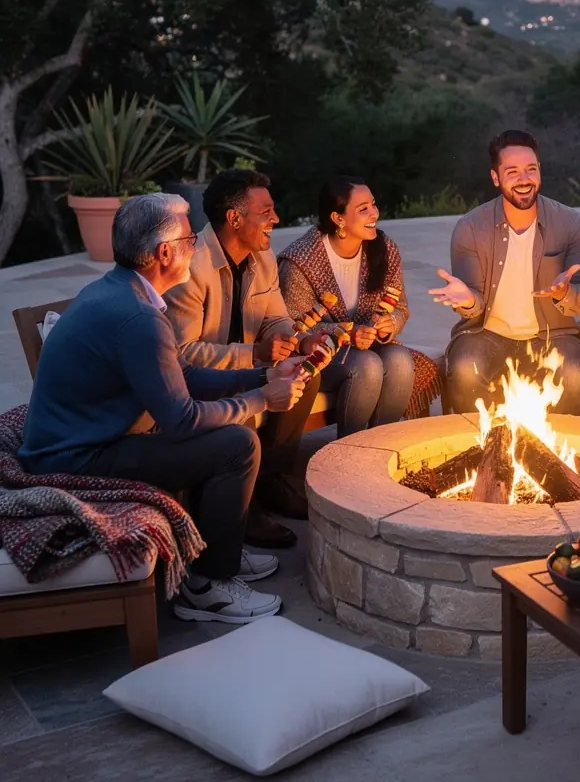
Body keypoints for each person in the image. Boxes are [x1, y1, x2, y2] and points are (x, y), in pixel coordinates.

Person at [18, 194, 306, 623]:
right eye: (191, 239)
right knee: (237, 445)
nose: (197, 246)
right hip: (77, 457)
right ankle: (209, 584)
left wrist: (261, 377)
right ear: (164, 253)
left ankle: (214, 548)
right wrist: (261, 401)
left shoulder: (122, 291)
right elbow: (182, 418)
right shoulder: (138, 317)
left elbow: (183, 374)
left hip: (85, 439)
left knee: (230, 435)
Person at [164, 169, 321, 548]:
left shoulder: (261, 259)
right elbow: (184, 356)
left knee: (304, 374)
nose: (275, 219)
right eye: (265, 211)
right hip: (200, 379)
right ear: (235, 218)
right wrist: (255, 353)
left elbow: (276, 316)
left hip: (247, 365)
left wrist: (293, 340)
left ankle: (271, 481)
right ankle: (243, 510)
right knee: (251, 404)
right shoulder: (191, 268)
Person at [431, 130, 580, 415]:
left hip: (553, 334)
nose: (524, 179)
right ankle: (481, 452)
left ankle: (559, 456)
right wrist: (468, 300)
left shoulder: (571, 223)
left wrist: (566, 293)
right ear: (495, 177)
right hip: (486, 333)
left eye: (531, 169)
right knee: (464, 369)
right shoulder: (471, 228)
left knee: (575, 377)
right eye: (513, 171)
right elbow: (473, 306)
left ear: (539, 171)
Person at [278, 176, 417, 436]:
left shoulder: (384, 248)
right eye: (363, 209)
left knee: (400, 361)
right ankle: (348, 450)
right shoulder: (300, 261)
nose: (374, 213)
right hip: (319, 352)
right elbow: (295, 327)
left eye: (373, 205)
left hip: (369, 343)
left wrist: (388, 325)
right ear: (338, 218)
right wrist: (347, 333)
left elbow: (400, 307)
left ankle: (380, 446)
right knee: (367, 366)